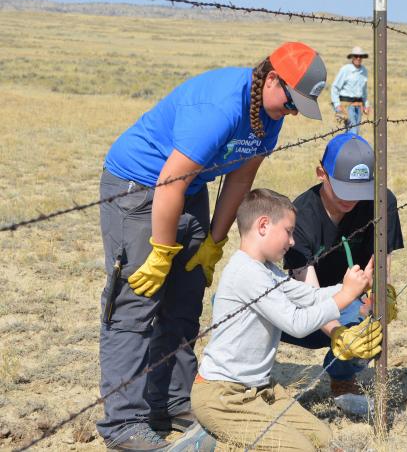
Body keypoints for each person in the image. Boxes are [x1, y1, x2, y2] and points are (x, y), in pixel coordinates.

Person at [97, 42, 327, 451]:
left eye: (297, 109)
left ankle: (173, 401)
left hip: (190, 188)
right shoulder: (221, 108)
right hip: (140, 188)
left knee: (185, 302)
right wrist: (162, 252)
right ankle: (124, 424)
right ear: (272, 78)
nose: (291, 114)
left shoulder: (268, 115)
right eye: (291, 103)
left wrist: (215, 243)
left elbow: (239, 179)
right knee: (137, 302)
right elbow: (169, 182)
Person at [190, 188, 377, 451]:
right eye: (288, 231)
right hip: (224, 397)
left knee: (323, 439)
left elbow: (309, 297)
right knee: (300, 449)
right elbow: (296, 324)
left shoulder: (266, 271)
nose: (291, 241)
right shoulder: (246, 272)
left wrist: (353, 286)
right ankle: (211, 443)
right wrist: (345, 295)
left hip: (261, 390)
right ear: (263, 225)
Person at [282, 133, 404, 416]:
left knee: (370, 332)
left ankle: (342, 378)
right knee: (253, 313)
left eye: (360, 189)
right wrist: (337, 333)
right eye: (343, 189)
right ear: (321, 173)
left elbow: (381, 263)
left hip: (352, 302)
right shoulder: (299, 216)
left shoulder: (381, 202)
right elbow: (309, 295)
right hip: (304, 308)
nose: (352, 199)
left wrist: (379, 302)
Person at [331, 46, 370, 134]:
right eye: (356, 56)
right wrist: (337, 105)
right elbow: (335, 87)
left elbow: (364, 90)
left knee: (355, 130)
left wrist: (366, 105)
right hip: (347, 105)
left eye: (360, 56)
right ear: (352, 57)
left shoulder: (364, 70)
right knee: (353, 131)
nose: (358, 58)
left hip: (359, 106)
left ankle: (348, 146)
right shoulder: (345, 69)